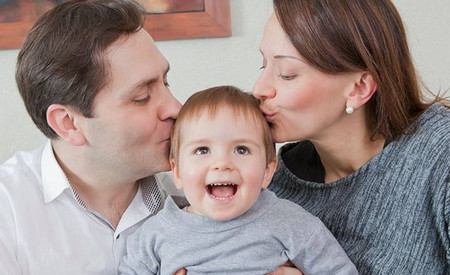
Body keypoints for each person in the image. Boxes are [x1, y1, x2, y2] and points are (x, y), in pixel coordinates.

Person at [252, 0, 450, 274]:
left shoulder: (441, 156)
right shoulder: (271, 188)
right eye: (262, 65)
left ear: (358, 88)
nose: (259, 88)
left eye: (286, 74)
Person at [0, 1, 183, 274]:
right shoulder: (8, 210)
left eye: (165, 83)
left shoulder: (203, 192)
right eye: (141, 98)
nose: (176, 108)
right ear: (68, 124)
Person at [118, 86, 358, 275]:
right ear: (177, 172)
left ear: (267, 171)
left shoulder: (290, 222)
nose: (222, 163)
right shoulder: (155, 234)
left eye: (241, 150)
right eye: (202, 150)